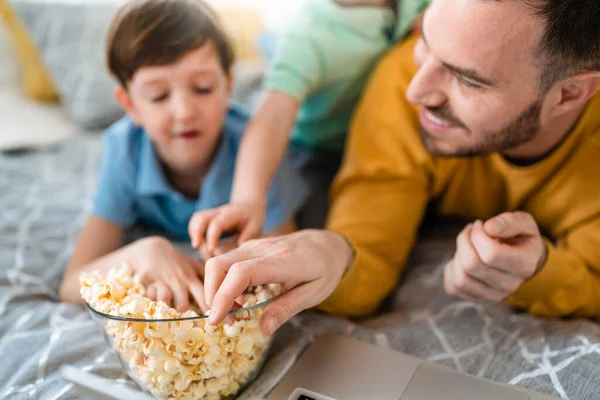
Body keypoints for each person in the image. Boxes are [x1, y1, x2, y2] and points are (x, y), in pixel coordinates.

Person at [202, 0, 600, 336]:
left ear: (570, 93)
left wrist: (539, 270)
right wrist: (334, 252)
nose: (417, 90)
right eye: (424, 41)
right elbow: (368, 257)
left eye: (468, 80)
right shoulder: (398, 83)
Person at [58, 0, 306, 312]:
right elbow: (71, 285)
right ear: (131, 105)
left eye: (202, 88)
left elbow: (287, 269)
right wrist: (143, 253)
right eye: (158, 96)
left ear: (227, 88)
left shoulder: (258, 150)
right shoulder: (124, 151)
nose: (185, 112)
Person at [188, 0, 430, 254]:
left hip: (387, 133)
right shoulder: (308, 35)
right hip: (317, 151)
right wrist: (247, 200)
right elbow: (270, 120)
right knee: (322, 239)